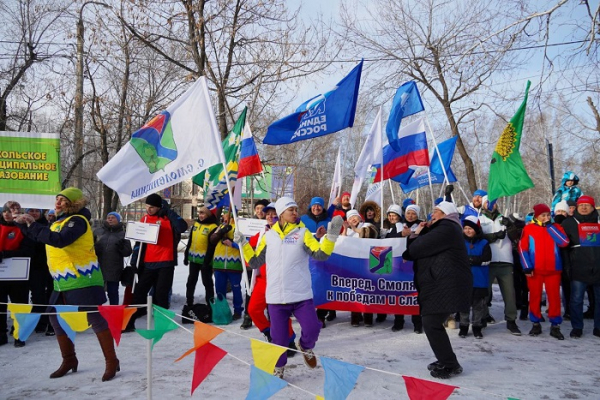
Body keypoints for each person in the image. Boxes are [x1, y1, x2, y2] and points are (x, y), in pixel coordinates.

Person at [16, 187, 119, 381]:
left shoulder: (77, 221)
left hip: (82, 278)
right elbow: (41, 237)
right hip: (62, 280)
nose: (58, 202)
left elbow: (60, 240)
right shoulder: (59, 221)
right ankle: (69, 359)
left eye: (63, 200)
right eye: (57, 199)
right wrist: (22, 223)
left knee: (95, 319)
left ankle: (111, 361)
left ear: (74, 204)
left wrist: (33, 224)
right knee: (55, 318)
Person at [235, 197, 343, 379]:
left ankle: (305, 346)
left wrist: (330, 238)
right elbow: (254, 262)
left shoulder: (303, 233)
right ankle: (279, 367)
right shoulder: (268, 237)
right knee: (278, 339)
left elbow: (321, 254)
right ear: (281, 213)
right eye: (291, 209)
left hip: (300, 294)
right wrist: (244, 244)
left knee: (313, 328)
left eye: (295, 209)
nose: (295, 212)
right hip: (276, 298)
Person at [401, 201, 471, 379]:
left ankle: (450, 364)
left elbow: (416, 249)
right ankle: (446, 360)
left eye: (435, 212)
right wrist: (422, 232)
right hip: (442, 284)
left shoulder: (447, 227)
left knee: (431, 323)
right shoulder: (446, 228)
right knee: (432, 323)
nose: (432, 215)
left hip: (445, 285)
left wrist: (416, 235)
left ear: (445, 213)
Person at [125, 193, 188, 331]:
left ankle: (163, 323)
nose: (149, 209)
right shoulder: (145, 219)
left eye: (152, 207)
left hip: (166, 262)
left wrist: (170, 213)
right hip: (148, 262)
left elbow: (182, 227)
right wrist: (135, 261)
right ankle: (129, 323)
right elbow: (138, 242)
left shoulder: (168, 218)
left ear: (159, 207)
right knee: (139, 294)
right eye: (147, 206)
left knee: (161, 295)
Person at [246, 202, 297, 356]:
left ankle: (289, 341)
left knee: (280, 313)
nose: (269, 216)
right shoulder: (262, 233)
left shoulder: (289, 232)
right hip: (263, 279)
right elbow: (250, 247)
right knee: (253, 309)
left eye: (273, 213)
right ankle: (269, 333)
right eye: (267, 213)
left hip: (280, 279)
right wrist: (239, 241)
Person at [519, 203, 569, 339]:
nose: (546, 217)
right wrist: (527, 266)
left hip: (554, 269)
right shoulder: (529, 229)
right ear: (537, 216)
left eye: (548, 215)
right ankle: (535, 323)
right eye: (543, 215)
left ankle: (555, 325)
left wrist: (550, 227)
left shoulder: (556, 227)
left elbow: (564, 242)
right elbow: (522, 248)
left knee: (554, 298)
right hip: (535, 270)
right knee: (535, 296)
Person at [479, 196, 521, 335]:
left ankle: (511, 320)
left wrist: (510, 226)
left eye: (493, 203)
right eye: (487, 202)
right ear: (483, 204)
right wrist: (495, 236)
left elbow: (516, 237)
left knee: (509, 293)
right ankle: (483, 317)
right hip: (487, 261)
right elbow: (478, 237)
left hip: (505, 260)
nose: (491, 205)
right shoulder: (480, 219)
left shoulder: (504, 219)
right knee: (485, 293)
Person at [560, 196, 600, 338]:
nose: (584, 207)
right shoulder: (569, 223)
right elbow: (563, 248)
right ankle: (577, 327)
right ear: (576, 207)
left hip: (598, 267)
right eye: (581, 205)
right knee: (576, 299)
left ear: (593, 207)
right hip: (578, 267)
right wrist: (566, 266)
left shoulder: (599, 222)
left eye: (587, 205)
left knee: (598, 299)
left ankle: (598, 327)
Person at [382, 204, 423, 333]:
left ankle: (417, 323)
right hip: (399, 264)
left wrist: (414, 234)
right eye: (408, 213)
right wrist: (401, 234)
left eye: (413, 214)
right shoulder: (399, 225)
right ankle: (398, 321)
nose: (410, 216)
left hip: (416, 264)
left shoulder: (422, 225)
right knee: (399, 291)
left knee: (415, 294)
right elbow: (388, 240)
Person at [0, 201, 34, 347]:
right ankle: (1, 334)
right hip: (1, 274)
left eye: (12, 210)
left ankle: (20, 333)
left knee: (20, 304)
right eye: (6, 210)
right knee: (1, 305)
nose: (8, 213)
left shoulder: (24, 228)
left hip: (19, 274)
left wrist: (6, 254)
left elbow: (29, 250)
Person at [300, 196, 334, 326]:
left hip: (323, 258)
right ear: (310, 206)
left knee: (321, 286)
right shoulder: (302, 220)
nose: (316, 207)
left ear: (323, 207)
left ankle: (320, 316)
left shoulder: (329, 221)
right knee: (305, 286)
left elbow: (335, 239)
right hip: (305, 257)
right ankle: (306, 315)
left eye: (319, 205)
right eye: (314, 205)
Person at [343, 209, 378, 327]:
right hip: (354, 264)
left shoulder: (367, 225)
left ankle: (368, 317)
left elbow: (370, 233)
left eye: (355, 217)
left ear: (360, 218)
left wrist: (354, 229)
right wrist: (345, 230)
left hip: (368, 262)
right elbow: (342, 244)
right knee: (355, 290)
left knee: (368, 290)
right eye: (350, 218)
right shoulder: (348, 230)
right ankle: (355, 316)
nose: (353, 219)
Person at [459, 216, 492, 339]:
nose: (467, 231)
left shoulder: (484, 243)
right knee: (464, 306)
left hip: (479, 279)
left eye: (470, 228)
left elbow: (487, 260)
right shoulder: (460, 242)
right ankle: (463, 327)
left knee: (478, 306)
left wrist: (471, 260)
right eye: (465, 228)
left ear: (476, 229)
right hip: (463, 280)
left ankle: (477, 327)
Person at [25, 208, 55, 336]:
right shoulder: (22, 226)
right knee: (37, 296)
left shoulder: (47, 225)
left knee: (51, 295)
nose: (34, 213)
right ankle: (39, 322)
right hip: (31, 267)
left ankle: (50, 323)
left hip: (49, 265)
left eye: (36, 211)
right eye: (31, 211)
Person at [210, 207, 244, 320]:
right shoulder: (220, 227)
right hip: (219, 264)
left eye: (227, 214)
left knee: (236, 289)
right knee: (219, 289)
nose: (225, 216)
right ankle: (222, 311)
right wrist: (221, 232)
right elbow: (212, 239)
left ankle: (238, 310)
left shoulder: (239, 227)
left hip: (234, 264)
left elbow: (243, 244)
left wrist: (232, 242)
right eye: (224, 215)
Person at [93, 212, 132, 305]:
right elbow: (89, 246)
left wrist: (122, 248)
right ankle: (97, 312)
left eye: (113, 217)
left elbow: (128, 252)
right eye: (108, 217)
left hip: (114, 268)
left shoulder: (123, 234)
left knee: (113, 292)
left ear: (118, 220)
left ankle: (114, 311)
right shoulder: (98, 232)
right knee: (97, 293)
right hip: (98, 267)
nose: (110, 219)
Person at [183, 206, 218, 308]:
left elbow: (212, 247)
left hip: (205, 261)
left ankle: (210, 304)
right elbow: (190, 241)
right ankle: (189, 302)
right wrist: (186, 255)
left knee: (207, 283)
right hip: (193, 259)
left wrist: (206, 262)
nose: (201, 216)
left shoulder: (213, 227)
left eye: (203, 214)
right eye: (200, 213)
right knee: (191, 281)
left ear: (208, 215)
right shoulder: (196, 224)